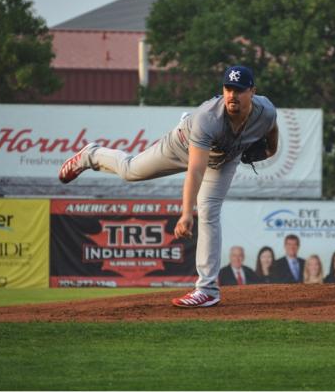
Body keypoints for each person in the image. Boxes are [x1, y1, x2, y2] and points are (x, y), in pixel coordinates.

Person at [58, 65, 278, 307]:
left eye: (238, 89)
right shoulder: (209, 118)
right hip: (182, 146)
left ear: (252, 92)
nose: (232, 95)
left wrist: (270, 150)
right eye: (228, 88)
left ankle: (207, 290)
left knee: (209, 212)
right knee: (131, 171)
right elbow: (195, 170)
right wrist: (185, 214)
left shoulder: (265, 110)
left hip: (223, 158)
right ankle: (91, 155)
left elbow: (271, 130)